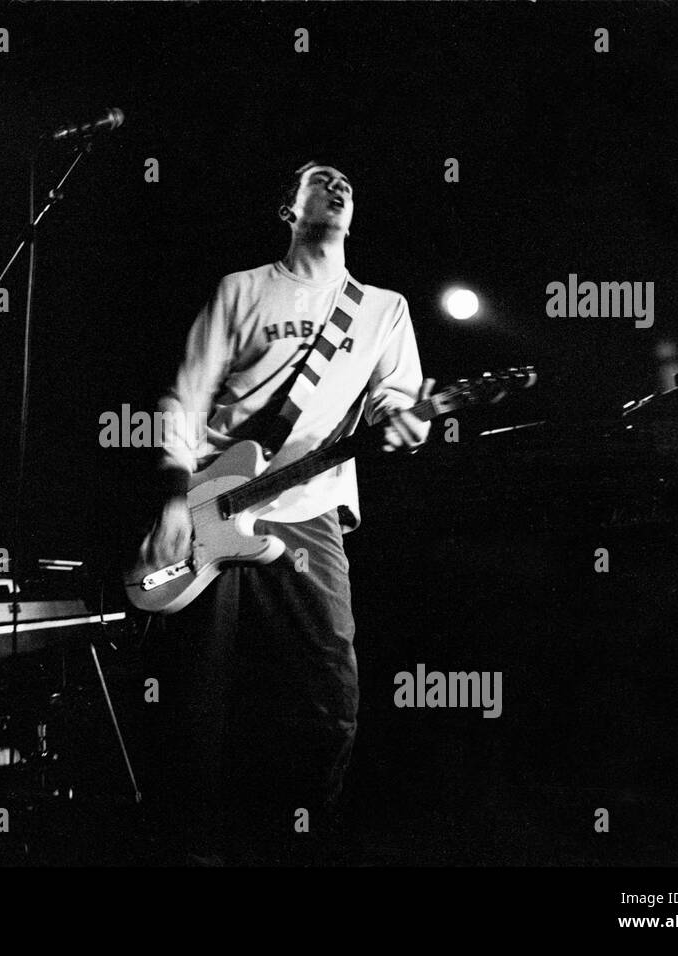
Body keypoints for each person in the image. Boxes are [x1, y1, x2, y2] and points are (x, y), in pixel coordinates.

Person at [146, 161, 433, 864]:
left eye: (348, 185)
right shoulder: (241, 290)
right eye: (321, 180)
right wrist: (176, 498)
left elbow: (401, 402)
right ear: (288, 206)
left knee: (331, 696)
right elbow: (185, 397)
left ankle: (303, 842)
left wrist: (412, 423)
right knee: (196, 698)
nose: (338, 188)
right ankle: (196, 850)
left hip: (310, 511)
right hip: (215, 507)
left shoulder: (381, 309)